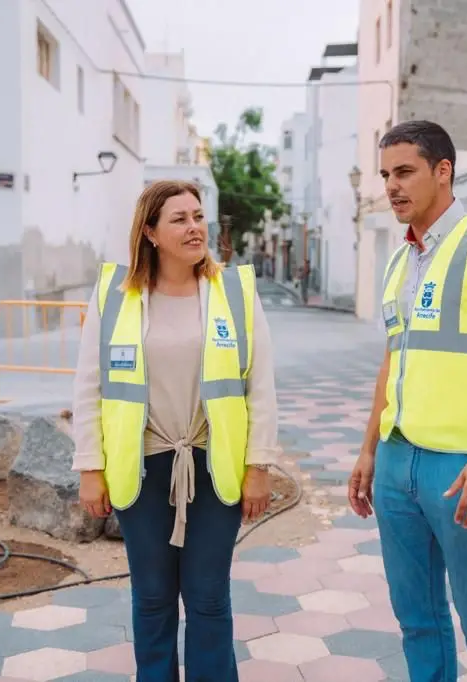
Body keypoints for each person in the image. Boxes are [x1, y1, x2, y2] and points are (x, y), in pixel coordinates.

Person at [348, 120, 467, 682]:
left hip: (462, 467)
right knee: (418, 620)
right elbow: (394, 360)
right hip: (396, 461)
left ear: (443, 170)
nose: (392, 186)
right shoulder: (399, 260)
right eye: (386, 175)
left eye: (404, 171)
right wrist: (368, 451)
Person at [72, 180, 280, 682]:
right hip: (142, 467)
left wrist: (259, 466)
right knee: (152, 597)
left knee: (208, 596)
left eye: (198, 216)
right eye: (179, 219)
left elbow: (261, 387)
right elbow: (88, 387)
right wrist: (90, 469)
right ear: (150, 232)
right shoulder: (116, 297)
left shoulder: (234, 292)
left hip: (213, 465)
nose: (194, 227)